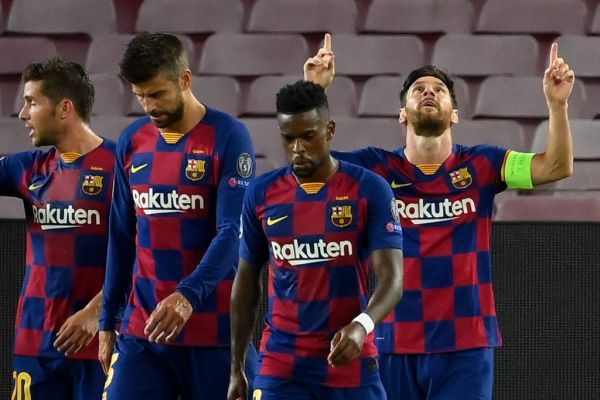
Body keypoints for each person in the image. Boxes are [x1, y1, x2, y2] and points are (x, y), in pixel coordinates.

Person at [304, 34, 574, 399]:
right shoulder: (375, 168)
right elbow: (310, 169)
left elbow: (555, 166)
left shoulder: (484, 164)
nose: (429, 92)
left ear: (455, 113)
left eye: (438, 89)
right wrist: (313, 91)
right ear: (402, 113)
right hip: (391, 342)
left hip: (466, 345)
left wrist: (557, 106)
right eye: (419, 89)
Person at [99, 32, 258, 399]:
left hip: (214, 332)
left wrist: (187, 295)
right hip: (143, 333)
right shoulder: (132, 141)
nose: (148, 106)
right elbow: (122, 235)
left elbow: (232, 233)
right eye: (140, 96)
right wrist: (109, 320)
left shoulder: (228, 136)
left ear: (184, 79)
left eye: (156, 94)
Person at [227, 80, 404, 400]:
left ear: (330, 130)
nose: (298, 147)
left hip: (350, 360)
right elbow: (246, 280)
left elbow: (393, 278)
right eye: (288, 138)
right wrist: (236, 365)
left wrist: (362, 325)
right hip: (282, 365)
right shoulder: (261, 193)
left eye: (308, 136)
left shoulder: (369, 189)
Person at [0, 57, 116, 399]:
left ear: (64, 108)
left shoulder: (123, 167)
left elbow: (147, 255)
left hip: (102, 346)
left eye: (32, 102)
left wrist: (96, 313)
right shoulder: (27, 169)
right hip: (35, 345)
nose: (23, 114)